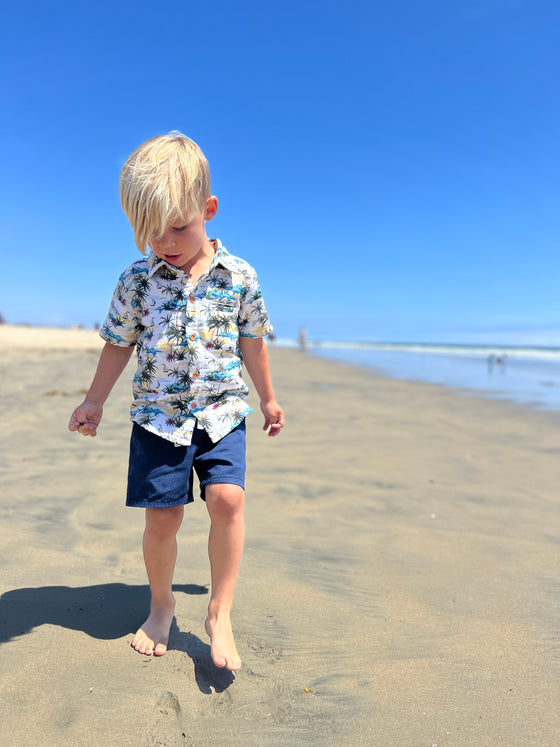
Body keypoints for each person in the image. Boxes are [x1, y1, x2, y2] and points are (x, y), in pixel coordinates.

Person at [68, 132, 284, 671]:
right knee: (162, 518)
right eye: (150, 232)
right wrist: (94, 401)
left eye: (180, 226)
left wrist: (269, 401)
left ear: (208, 210)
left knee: (228, 501)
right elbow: (119, 344)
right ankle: (161, 604)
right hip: (157, 418)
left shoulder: (240, 276)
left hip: (222, 410)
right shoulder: (136, 282)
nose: (165, 241)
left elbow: (252, 342)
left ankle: (219, 610)